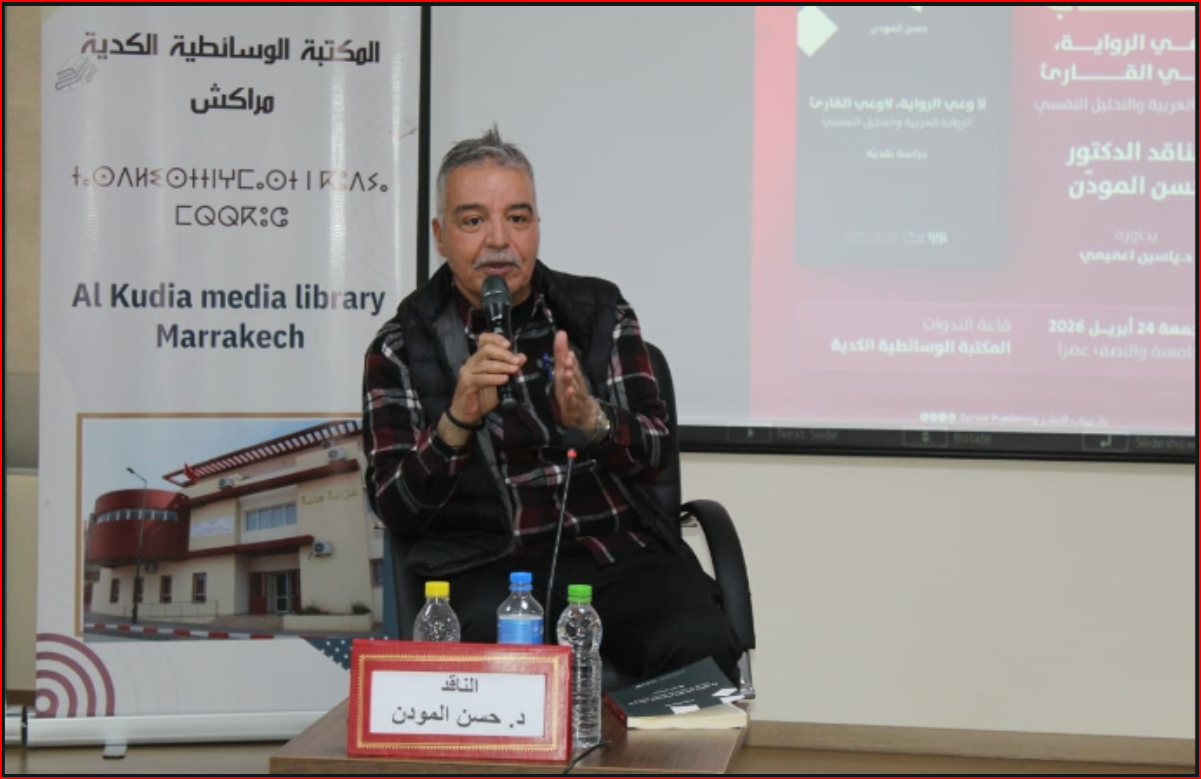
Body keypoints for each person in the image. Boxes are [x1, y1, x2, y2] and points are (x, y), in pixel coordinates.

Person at [362, 126, 743, 684]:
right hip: (486, 566)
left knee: (700, 650)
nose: (499, 241)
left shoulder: (599, 312)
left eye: (517, 218)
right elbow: (396, 509)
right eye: (474, 221)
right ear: (441, 235)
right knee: (492, 682)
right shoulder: (401, 346)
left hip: (615, 555)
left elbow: (656, 452)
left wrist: (595, 421)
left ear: (537, 225)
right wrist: (457, 422)